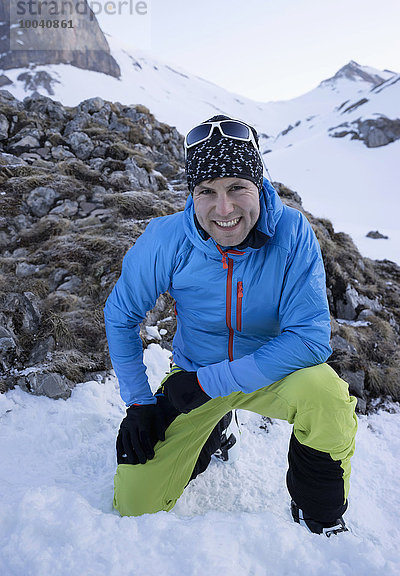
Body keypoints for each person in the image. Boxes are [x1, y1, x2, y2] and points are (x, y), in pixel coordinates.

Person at [104, 115, 358, 536]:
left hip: (270, 373)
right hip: (194, 378)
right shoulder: (166, 239)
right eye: (208, 191)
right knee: (134, 505)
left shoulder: (292, 233)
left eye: (237, 188)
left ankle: (321, 513)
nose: (224, 210)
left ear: (259, 185)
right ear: (192, 193)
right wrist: (138, 403)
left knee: (325, 396)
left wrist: (211, 384)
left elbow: (310, 339)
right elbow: (121, 316)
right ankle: (213, 431)